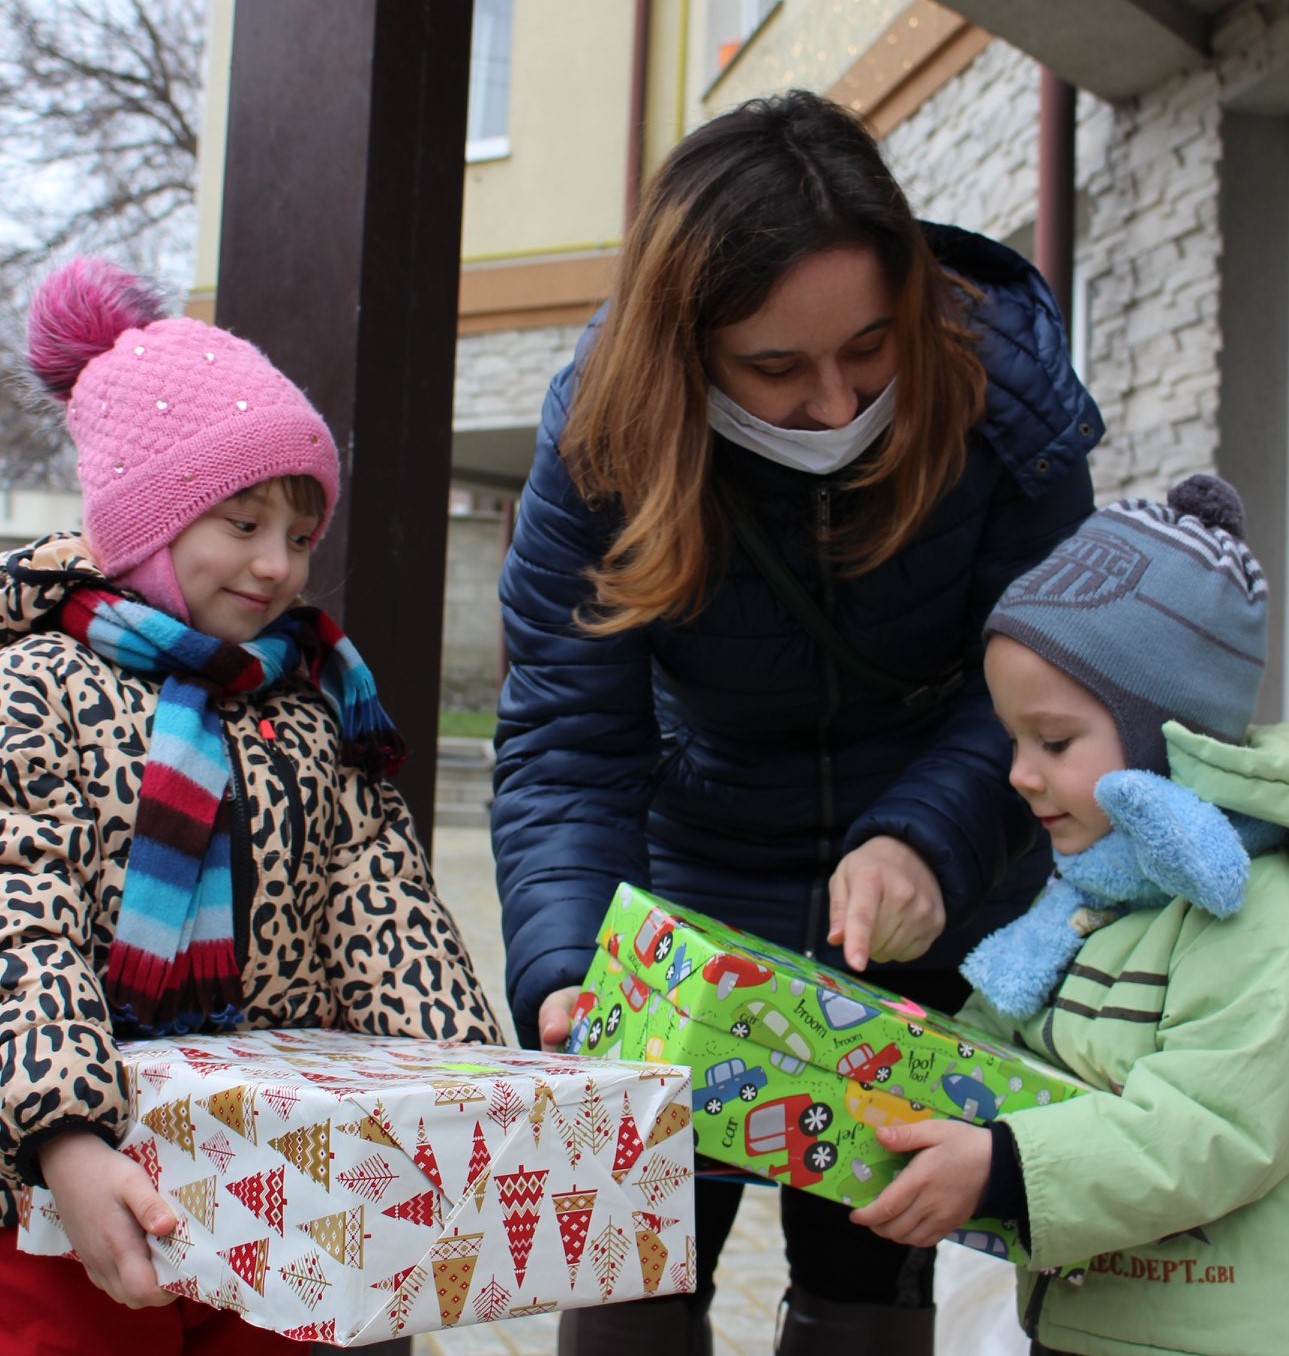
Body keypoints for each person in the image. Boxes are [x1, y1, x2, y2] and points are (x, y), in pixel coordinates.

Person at [491, 88, 1101, 1356]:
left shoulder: (1009, 403)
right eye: (775, 368)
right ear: (687, 348)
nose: (833, 404)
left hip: (927, 893)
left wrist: (926, 840)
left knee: (870, 1277)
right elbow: (567, 742)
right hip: (688, 898)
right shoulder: (603, 436)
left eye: (869, 349)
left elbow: (1050, 691)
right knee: (632, 1270)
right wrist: (568, 967)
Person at [0, 257, 503, 1355]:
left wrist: (472, 1096)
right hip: (68, 1192)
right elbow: (19, 923)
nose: (277, 566)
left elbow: (386, 912)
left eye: (301, 536)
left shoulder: (311, 704)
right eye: (241, 522)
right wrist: (65, 1139)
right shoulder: (36, 689)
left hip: (277, 1178)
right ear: (147, 518)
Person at [850, 475, 1289, 1356]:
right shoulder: (1092, 898)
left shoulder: (1252, 913)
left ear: (1163, 737)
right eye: (1011, 738)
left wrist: (1008, 1170)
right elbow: (1011, 1055)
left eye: (1051, 742)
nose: (1019, 773)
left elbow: (1213, 1131)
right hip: (1087, 1322)